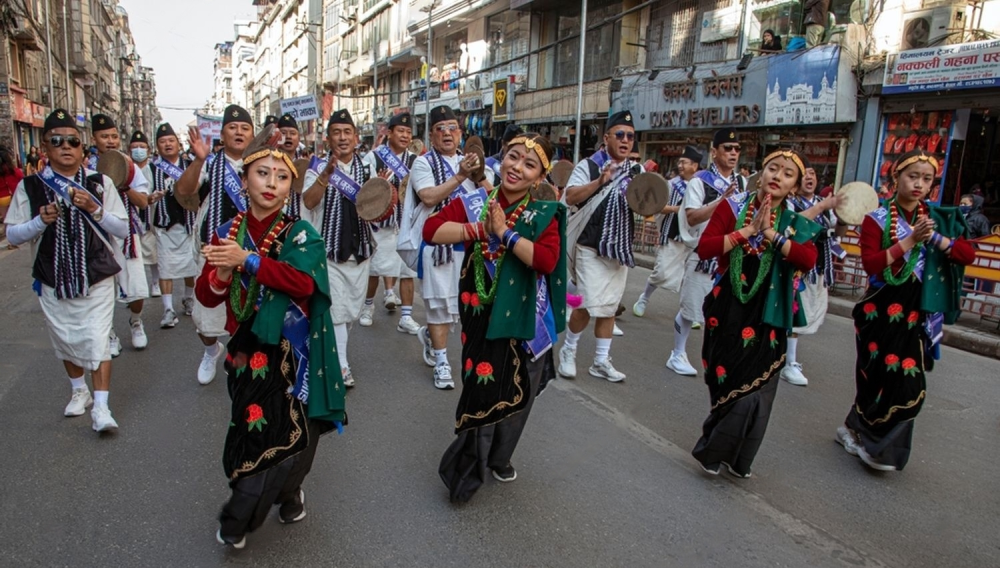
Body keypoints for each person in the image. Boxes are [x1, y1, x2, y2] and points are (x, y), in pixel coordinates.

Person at [195, 124, 345, 549]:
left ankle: (247, 512)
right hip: (245, 350)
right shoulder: (228, 229)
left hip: (292, 351)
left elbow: (304, 284)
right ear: (244, 180)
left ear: (289, 188)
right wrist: (224, 271)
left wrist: (250, 261)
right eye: (262, 174)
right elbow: (207, 294)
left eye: (281, 178)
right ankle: (274, 494)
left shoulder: (301, 233)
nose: (271, 184)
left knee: (299, 431)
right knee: (253, 426)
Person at [428, 133, 567, 502]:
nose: (516, 168)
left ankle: (501, 456)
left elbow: (546, 260)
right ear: (500, 159)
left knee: (519, 388)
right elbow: (432, 231)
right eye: (512, 157)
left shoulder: (543, 215)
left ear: (539, 177)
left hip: (525, 317)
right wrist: (479, 230)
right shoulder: (476, 202)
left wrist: (504, 233)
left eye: (529, 164)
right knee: (481, 385)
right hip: (480, 312)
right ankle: (467, 469)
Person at [836, 149, 975, 472]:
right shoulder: (877, 219)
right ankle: (858, 428)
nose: (919, 184)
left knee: (909, 381)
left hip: (917, 312)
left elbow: (966, 254)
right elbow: (871, 263)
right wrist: (910, 241)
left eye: (927, 179)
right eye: (913, 176)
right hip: (879, 311)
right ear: (895, 177)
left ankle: (881, 447)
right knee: (875, 376)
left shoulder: (938, 219)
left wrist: (936, 239)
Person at [693, 149, 820, 478]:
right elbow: (706, 247)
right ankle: (717, 445)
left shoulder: (795, 220)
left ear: (794, 186)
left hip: (769, 312)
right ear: (760, 174)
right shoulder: (734, 206)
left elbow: (808, 260)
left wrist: (771, 236)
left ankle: (738, 457)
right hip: (728, 307)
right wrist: (747, 232)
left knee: (758, 390)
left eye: (787, 173)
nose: (778, 176)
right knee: (727, 377)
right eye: (772, 168)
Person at [4, 108, 131, 432]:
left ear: (82, 147)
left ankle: (101, 408)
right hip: (52, 276)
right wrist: (39, 221)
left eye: (72, 141)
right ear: (45, 147)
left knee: (98, 339)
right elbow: (13, 234)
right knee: (66, 338)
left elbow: (122, 228)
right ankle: (79, 391)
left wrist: (95, 209)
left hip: (97, 275)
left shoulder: (99, 183)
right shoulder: (30, 186)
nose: (65, 147)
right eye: (56, 141)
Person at [397, 105, 489, 390]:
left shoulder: (472, 162)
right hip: (437, 246)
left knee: (460, 309)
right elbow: (428, 197)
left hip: (471, 244)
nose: (447, 134)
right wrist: (460, 177)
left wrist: (479, 175)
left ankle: (430, 338)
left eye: (452, 128)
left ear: (460, 133)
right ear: (432, 136)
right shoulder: (423, 163)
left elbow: (490, 196)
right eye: (441, 129)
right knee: (438, 307)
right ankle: (441, 362)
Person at [558, 110, 644, 383]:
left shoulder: (636, 170)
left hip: (619, 249)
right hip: (590, 246)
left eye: (630, 136)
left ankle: (600, 361)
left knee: (609, 307)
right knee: (586, 303)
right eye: (619, 134)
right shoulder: (589, 166)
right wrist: (600, 181)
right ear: (606, 137)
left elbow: (647, 204)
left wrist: (676, 208)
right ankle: (569, 350)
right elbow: (569, 196)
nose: (625, 140)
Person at [175, 104, 255, 386]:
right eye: (232, 127)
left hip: (250, 253)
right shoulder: (209, 163)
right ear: (222, 133)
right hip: (213, 251)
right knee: (204, 317)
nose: (238, 132)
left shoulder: (260, 162)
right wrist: (197, 160)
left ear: (252, 134)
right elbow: (183, 192)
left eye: (245, 128)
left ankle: (240, 361)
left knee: (248, 315)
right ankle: (211, 350)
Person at [665, 128, 746, 376]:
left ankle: (721, 356)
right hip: (704, 253)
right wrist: (721, 202)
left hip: (731, 251)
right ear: (714, 152)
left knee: (726, 308)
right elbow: (690, 216)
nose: (733, 153)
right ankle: (677, 353)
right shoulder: (700, 181)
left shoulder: (742, 181)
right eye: (727, 148)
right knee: (692, 307)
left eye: (736, 149)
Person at [301, 109, 372, 388]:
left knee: (350, 309)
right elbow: (308, 202)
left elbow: (375, 204)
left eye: (347, 132)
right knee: (337, 308)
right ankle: (341, 364)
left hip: (361, 249)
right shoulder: (318, 168)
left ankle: (335, 350)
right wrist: (325, 177)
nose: (342, 138)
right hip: (330, 250)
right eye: (336, 132)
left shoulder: (367, 167)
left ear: (355, 137)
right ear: (328, 138)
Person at [92, 114, 152, 354]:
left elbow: (144, 202)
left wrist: (123, 183)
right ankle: (109, 332)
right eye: (104, 136)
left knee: (136, 288)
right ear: (93, 138)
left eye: (114, 136)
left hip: (127, 235)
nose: (110, 141)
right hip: (97, 236)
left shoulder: (130, 167)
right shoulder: (84, 166)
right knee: (101, 289)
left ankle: (136, 321)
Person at [783, 165, 847, 386]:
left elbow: (837, 233)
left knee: (809, 313)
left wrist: (843, 218)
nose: (810, 178)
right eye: (805, 175)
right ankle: (789, 362)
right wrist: (821, 206)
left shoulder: (825, 206)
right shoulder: (791, 203)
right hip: (798, 268)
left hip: (819, 267)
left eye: (813, 174)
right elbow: (794, 224)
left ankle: (785, 358)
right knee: (794, 314)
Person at [360, 112, 421, 333]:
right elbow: (365, 189)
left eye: (408, 132)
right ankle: (367, 307)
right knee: (375, 269)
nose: (405, 136)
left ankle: (406, 316)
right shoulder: (374, 157)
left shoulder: (416, 161)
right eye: (401, 131)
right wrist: (378, 183)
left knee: (407, 271)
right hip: (381, 224)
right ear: (390, 132)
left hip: (407, 224)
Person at [633, 145, 702, 317]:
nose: (680, 166)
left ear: (694, 166)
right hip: (672, 234)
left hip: (694, 237)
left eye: (684, 163)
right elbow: (656, 207)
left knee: (690, 276)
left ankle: (687, 311)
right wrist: (675, 209)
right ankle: (644, 298)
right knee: (661, 271)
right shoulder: (670, 185)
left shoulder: (701, 185)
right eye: (680, 162)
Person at [149, 123, 199, 328]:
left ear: (178, 144)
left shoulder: (190, 165)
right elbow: (145, 194)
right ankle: (168, 309)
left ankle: (188, 299)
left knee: (190, 266)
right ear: (157, 146)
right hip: (164, 225)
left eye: (171, 140)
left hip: (188, 225)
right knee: (166, 269)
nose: (167, 144)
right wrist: (151, 197)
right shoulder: (152, 168)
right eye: (162, 142)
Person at [129, 130, 161, 297]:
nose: (139, 150)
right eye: (135, 147)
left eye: (142, 147)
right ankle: (134, 288)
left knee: (152, 251)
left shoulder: (154, 169)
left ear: (148, 150)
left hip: (150, 215)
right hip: (131, 215)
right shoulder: (126, 168)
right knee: (133, 253)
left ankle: (155, 282)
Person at [275, 114, 303, 218]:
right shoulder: (268, 163)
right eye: (283, 133)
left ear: (298, 138)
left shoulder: (306, 165)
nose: (288, 137)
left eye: (292, 133)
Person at [0, 145, 25, 246]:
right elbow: (22, 180)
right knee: (15, 219)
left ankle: (9, 240)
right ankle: (14, 241)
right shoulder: (14, 171)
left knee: (6, 219)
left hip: (2, 197)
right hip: (15, 196)